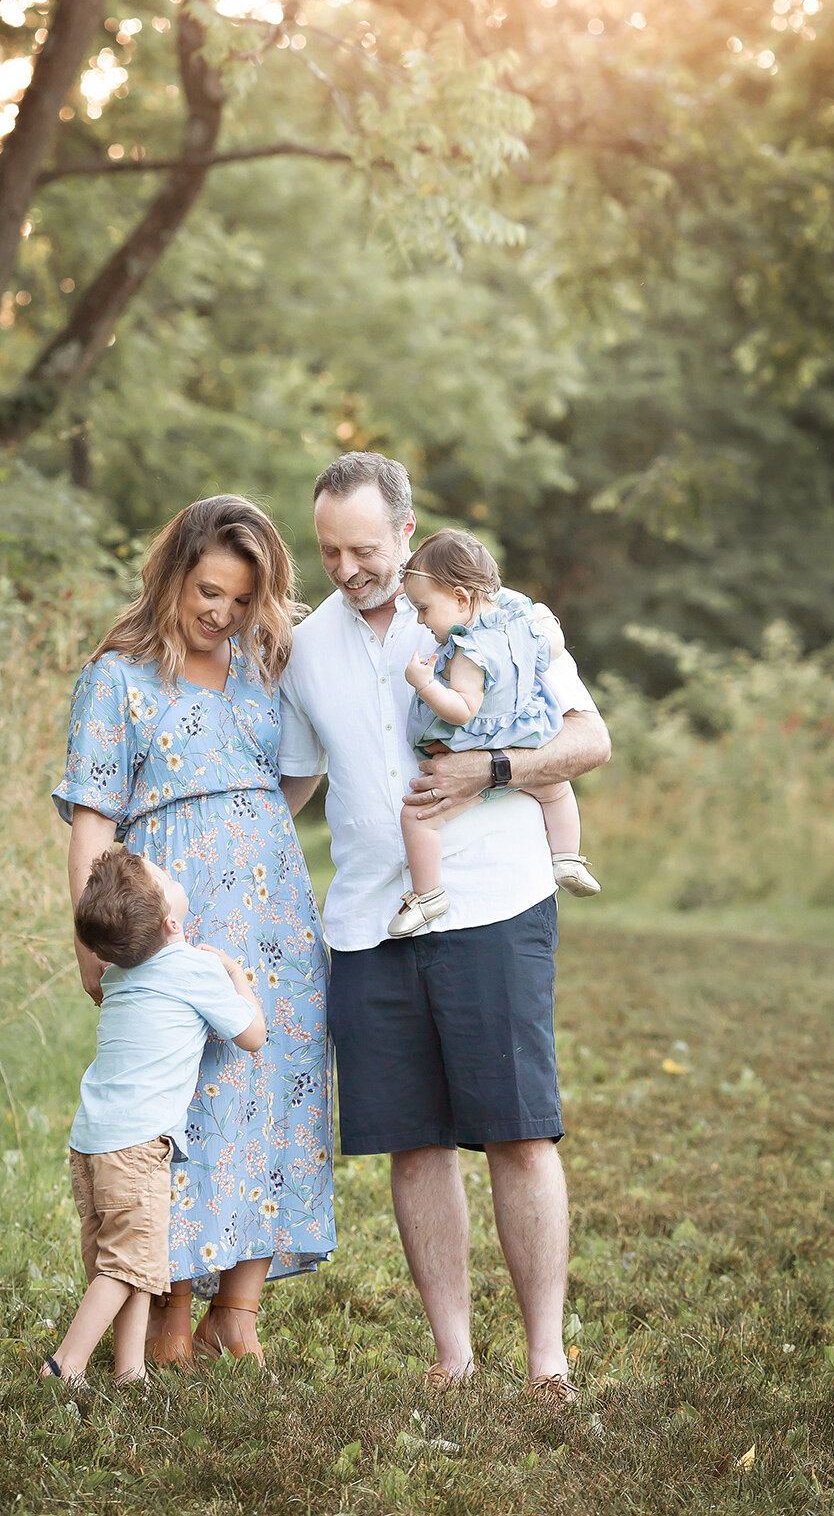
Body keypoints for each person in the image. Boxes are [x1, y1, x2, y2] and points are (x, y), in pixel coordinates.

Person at [278, 453, 612, 1400]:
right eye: (330, 551)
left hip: (492, 902)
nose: (347, 568)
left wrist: (492, 770)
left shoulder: (505, 619)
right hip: (368, 922)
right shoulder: (307, 649)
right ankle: (454, 1356)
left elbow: (590, 740)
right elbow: (296, 781)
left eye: (365, 548)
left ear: (408, 534)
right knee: (413, 1139)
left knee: (517, 1131)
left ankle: (546, 1361)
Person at [53, 494, 335, 1370]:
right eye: (209, 592)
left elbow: (288, 781)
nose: (223, 613)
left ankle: (237, 1311)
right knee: (189, 1096)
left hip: (274, 911)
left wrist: (248, 828)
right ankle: (168, 1303)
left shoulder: (264, 666)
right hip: (173, 914)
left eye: (243, 599)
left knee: (276, 1079)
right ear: (174, 574)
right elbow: (94, 819)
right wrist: (92, 942)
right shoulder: (119, 675)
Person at [41, 847, 265, 1389]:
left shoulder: (118, 973)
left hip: (92, 1140)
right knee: (125, 1266)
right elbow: (252, 1035)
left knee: (128, 1260)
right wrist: (235, 972)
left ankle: (130, 1372)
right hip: (138, 1146)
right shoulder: (195, 968)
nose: (172, 871)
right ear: (171, 923)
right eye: (166, 879)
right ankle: (64, 1365)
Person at [394, 528, 598, 938]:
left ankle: (428, 894)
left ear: (461, 599)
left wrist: (424, 683)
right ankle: (567, 857)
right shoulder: (521, 624)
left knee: (416, 819)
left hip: (476, 747)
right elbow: (552, 647)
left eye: (423, 608)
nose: (419, 619)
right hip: (525, 737)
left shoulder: (471, 652)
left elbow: (461, 710)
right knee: (555, 788)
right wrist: (545, 616)